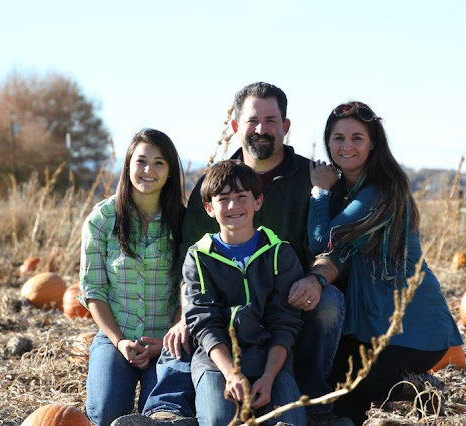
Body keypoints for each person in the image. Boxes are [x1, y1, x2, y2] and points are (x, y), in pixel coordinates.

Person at [124, 82, 345, 426]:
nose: (261, 129)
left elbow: (334, 245)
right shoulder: (213, 184)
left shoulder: (313, 179)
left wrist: (316, 279)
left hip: (285, 305)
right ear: (235, 126)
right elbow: (190, 262)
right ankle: (169, 412)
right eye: (253, 120)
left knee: (329, 302)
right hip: (220, 311)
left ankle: (313, 401)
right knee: (189, 329)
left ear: (286, 126)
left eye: (271, 120)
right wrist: (184, 315)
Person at [305, 101, 463, 425]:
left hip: (412, 327)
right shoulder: (347, 190)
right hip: (371, 323)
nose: (347, 146)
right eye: (338, 138)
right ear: (328, 142)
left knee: (360, 385)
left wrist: (319, 190)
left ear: (373, 143)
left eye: (357, 138)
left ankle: (418, 388)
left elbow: (324, 242)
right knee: (340, 391)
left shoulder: (380, 192)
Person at [183, 159, 307, 425]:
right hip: (217, 363)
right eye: (223, 199)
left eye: (242, 197)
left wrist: (269, 377)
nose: (233, 206)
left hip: (269, 361)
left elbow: (284, 323)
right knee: (219, 420)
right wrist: (231, 374)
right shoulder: (198, 257)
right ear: (209, 208)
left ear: (258, 201)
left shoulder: (280, 253)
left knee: (291, 422)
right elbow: (204, 323)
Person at [79, 129, 185, 426]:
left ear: (170, 171)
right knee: (106, 412)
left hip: (166, 341)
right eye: (141, 161)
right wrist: (120, 341)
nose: (148, 170)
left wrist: (168, 339)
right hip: (117, 336)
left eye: (159, 162)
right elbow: (93, 291)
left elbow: (188, 289)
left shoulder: (183, 222)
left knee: (163, 413)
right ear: (127, 166)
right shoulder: (102, 220)